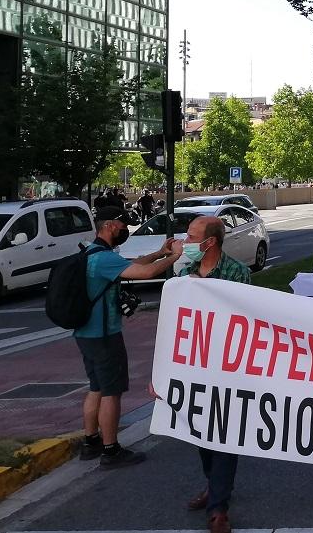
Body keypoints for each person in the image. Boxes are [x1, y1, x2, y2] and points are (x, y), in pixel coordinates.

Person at [76, 210, 182, 468]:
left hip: (84, 333)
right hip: (105, 335)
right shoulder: (103, 259)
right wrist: (176, 256)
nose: (126, 229)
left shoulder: (90, 254)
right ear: (110, 225)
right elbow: (144, 274)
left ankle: (91, 442)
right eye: (123, 225)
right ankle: (111, 451)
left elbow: (134, 266)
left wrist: (159, 253)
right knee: (112, 392)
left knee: (96, 387)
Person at [177, 216, 252, 533]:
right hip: (195, 370)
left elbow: (250, 320)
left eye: (192, 236)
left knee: (224, 435)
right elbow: (174, 326)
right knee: (203, 436)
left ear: (210, 242)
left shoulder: (237, 273)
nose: (186, 241)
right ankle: (214, 485)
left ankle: (218, 508)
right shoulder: (182, 275)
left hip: (227, 369)